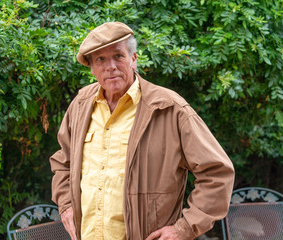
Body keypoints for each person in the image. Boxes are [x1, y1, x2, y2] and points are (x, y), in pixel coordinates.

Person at [50, 22, 235, 240]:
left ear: (133, 59)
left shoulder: (169, 108)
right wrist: (66, 204)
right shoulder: (81, 105)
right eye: (100, 59)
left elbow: (217, 172)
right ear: (91, 68)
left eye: (118, 56)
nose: (110, 66)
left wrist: (183, 229)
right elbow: (63, 162)